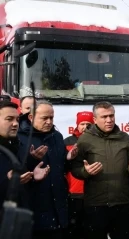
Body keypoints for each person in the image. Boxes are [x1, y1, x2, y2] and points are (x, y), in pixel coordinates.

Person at [71, 101, 129, 239]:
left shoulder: (124, 138)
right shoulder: (85, 139)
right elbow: (75, 168)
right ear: (94, 119)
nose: (109, 120)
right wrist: (85, 172)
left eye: (111, 116)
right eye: (104, 117)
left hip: (122, 202)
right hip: (95, 204)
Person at [17, 100, 77, 239]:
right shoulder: (19, 138)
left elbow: (61, 168)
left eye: (51, 118)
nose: (49, 122)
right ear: (31, 117)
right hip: (33, 212)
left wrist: (68, 158)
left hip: (58, 211)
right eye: (44, 118)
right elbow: (16, 172)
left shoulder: (56, 136)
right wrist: (32, 161)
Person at [0, 101, 49, 209]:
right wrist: (8, 182)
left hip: (17, 218)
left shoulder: (17, 145)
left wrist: (33, 176)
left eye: (17, 119)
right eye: (9, 119)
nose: (15, 124)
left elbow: (22, 185)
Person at [64, 111, 94, 239]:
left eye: (88, 124)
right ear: (77, 125)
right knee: (74, 228)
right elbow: (64, 165)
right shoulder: (67, 141)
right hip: (74, 191)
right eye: (82, 123)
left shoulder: (97, 141)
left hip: (93, 192)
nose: (85, 127)